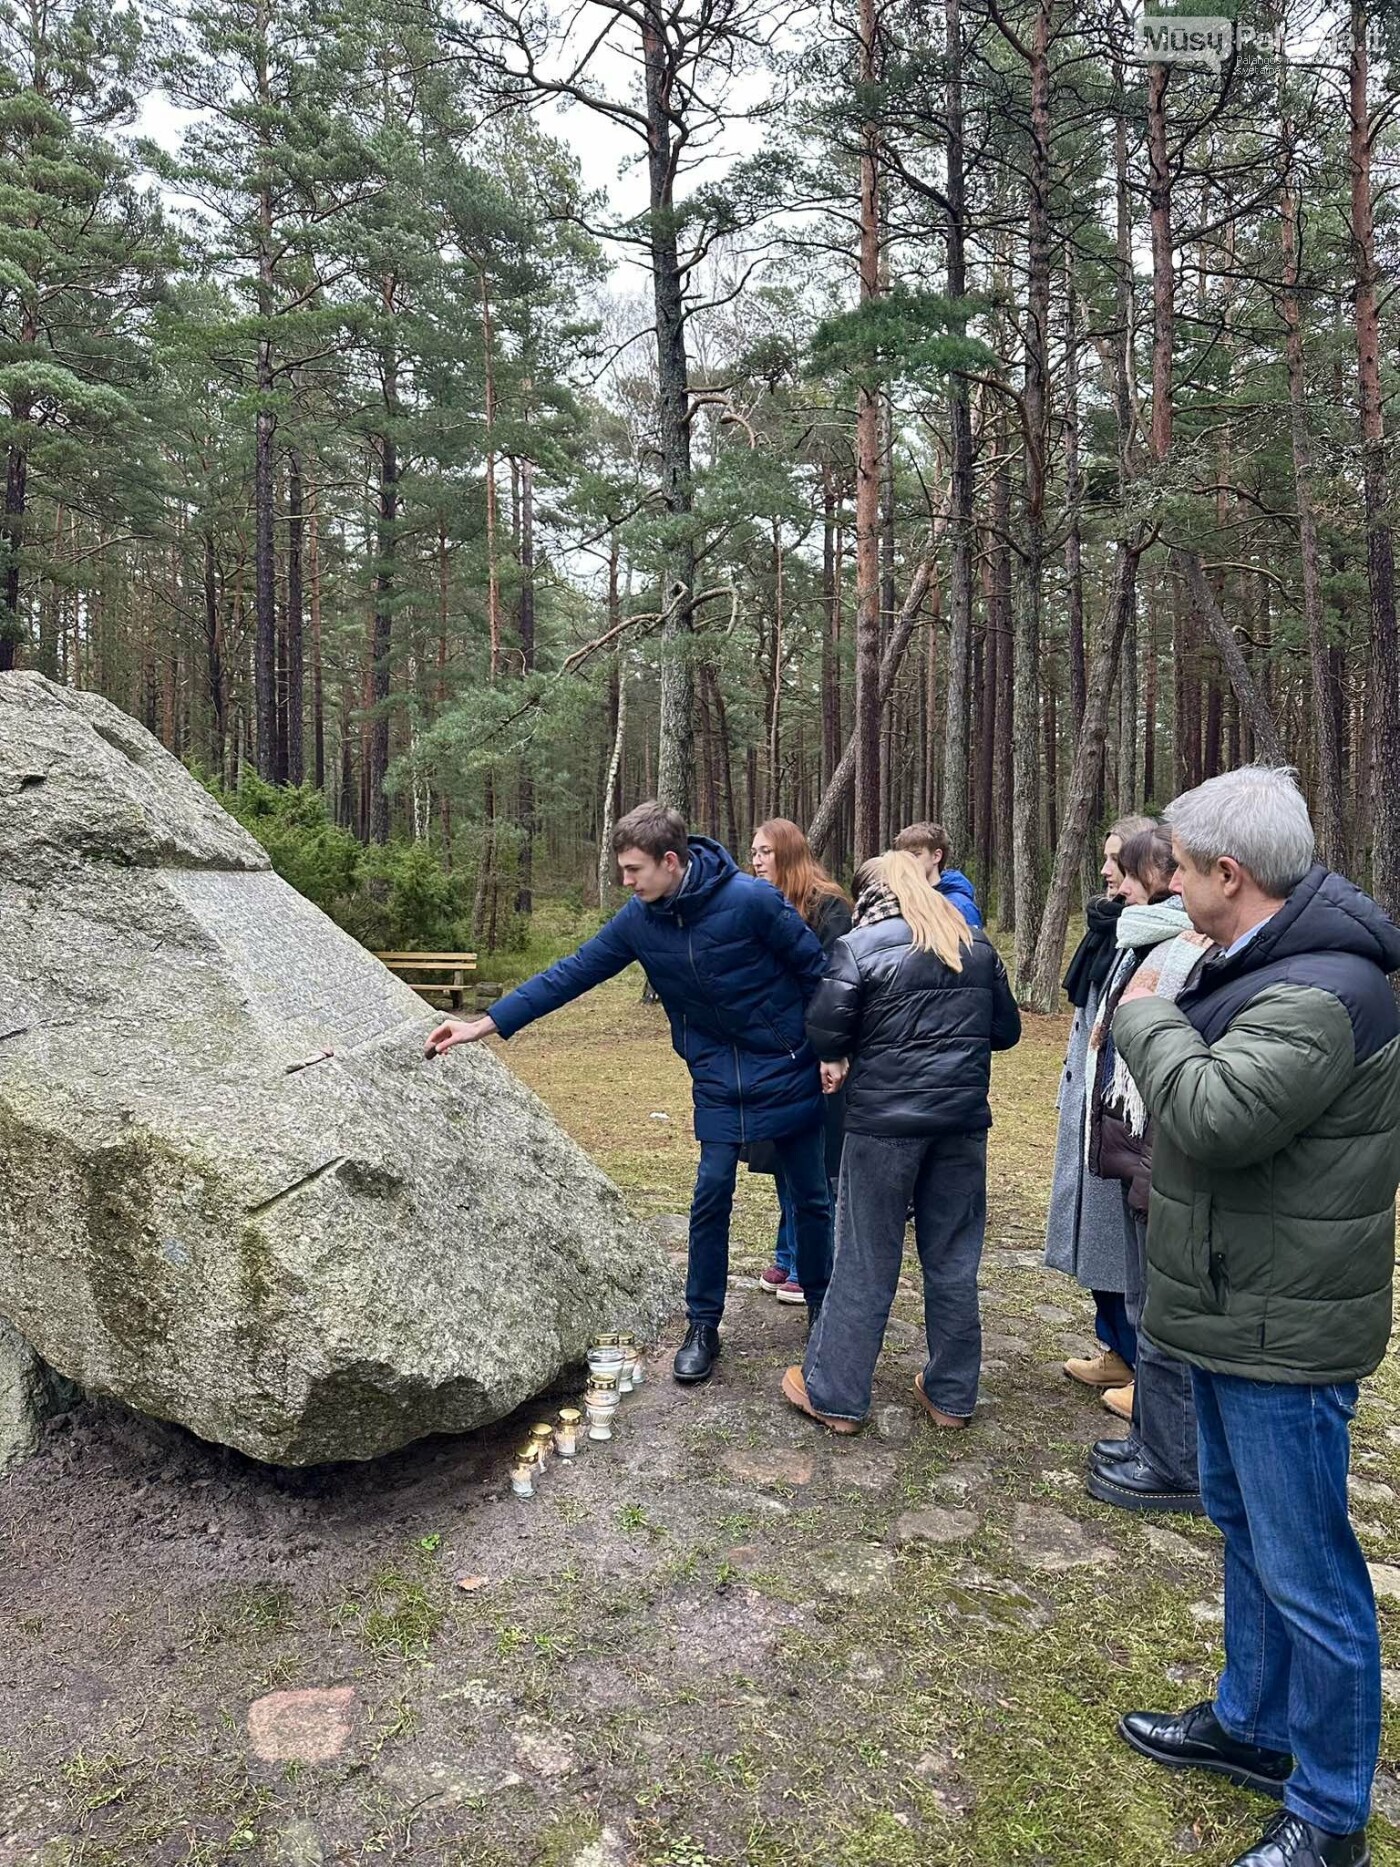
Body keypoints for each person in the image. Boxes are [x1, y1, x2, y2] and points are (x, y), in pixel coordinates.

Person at [1112, 766, 1400, 1867]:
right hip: (1241, 1306)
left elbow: (1214, 1114)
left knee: (1310, 1570)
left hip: (1282, 1327)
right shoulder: (1262, 958)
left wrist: (1143, 1021)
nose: (1168, 885)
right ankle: (1251, 1725)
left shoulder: (1322, 990)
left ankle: (1328, 1814)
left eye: (1177, 868)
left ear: (1225, 873)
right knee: (1245, 1532)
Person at [425, 802, 834, 1386]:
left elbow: (816, 971)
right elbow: (571, 973)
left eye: (633, 869)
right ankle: (703, 1326)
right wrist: (484, 1024)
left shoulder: (752, 901)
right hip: (717, 1075)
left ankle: (823, 1311)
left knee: (810, 1195)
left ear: (671, 862)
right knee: (711, 1194)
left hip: (786, 1063)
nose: (625, 881)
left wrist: (828, 1049)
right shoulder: (639, 920)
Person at [778, 850, 1021, 1433]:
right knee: (954, 1261)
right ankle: (952, 1397)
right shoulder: (976, 944)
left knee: (864, 1258)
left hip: (882, 1126)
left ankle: (836, 1395)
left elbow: (825, 1029)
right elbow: (1005, 1031)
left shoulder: (859, 948)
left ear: (870, 892)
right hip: (960, 1125)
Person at [1082, 822, 1211, 1513]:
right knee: (1143, 1301)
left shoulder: (1182, 948)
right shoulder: (1143, 936)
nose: (1115, 882)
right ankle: (1150, 1439)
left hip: (1161, 1138)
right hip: (1134, 1136)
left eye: (1125, 871)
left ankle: (1175, 1459)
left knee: (1164, 1309)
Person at [1045, 814, 1155, 1390]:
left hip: (1125, 1115)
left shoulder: (1155, 935)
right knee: (1100, 1235)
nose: (1107, 871)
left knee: (1125, 1239)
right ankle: (1114, 1343)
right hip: (1091, 1101)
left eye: (1118, 861)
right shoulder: (1109, 928)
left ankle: (1143, 1363)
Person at [748, 819, 852, 1306]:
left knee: (815, 1163)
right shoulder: (763, 904)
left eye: (765, 851)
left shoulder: (828, 906)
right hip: (774, 1050)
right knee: (783, 1157)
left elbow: (833, 983)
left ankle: (810, 1261)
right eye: (753, 852)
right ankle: (786, 1253)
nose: (756, 859)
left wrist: (827, 1047)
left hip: (816, 1050)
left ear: (788, 854)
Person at [893, 821, 984, 928]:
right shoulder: (900, 903)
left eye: (915, 855)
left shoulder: (960, 906)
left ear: (936, 856)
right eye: (904, 856)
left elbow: (973, 944)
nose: (908, 861)